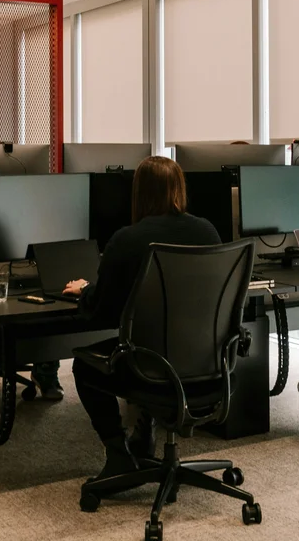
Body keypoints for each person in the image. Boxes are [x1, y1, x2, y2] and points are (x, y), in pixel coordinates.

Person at [62, 155, 220, 480]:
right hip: (205, 363)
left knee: (85, 364)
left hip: (149, 365)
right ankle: (143, 436)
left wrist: (85, 291)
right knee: (145, 344)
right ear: (179, 189)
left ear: (139, 194)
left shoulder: (127, 239)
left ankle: (118, 454)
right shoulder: (208, 231)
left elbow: (102, 310)